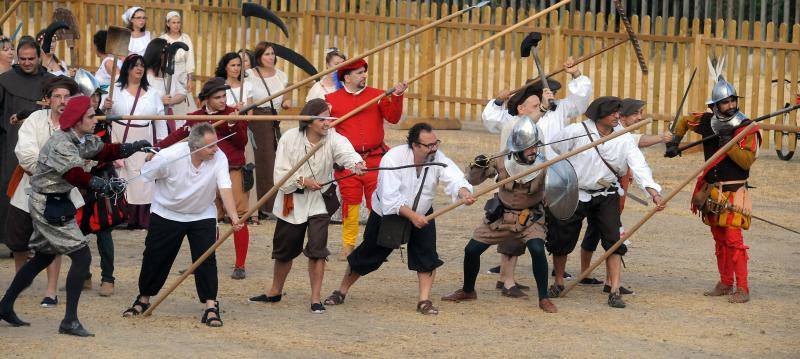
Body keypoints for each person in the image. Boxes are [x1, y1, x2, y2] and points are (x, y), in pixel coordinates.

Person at [0, 95, 149, 336]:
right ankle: (69, 321)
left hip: (56, 201)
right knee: (81, 257)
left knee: (43, 258)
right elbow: (75, 176)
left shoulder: (79, 137)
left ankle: (4, 306)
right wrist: (104, 185)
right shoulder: (62, 143)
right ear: (78, 120)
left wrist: (133, 147)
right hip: (48, 204)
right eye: (90, 116)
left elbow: (103, 150)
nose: (95, 119)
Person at [323, 123, 475, 315]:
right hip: (389, 214)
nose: (434, 148)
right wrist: (413, 217)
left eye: (435, 143)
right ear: (414, 145)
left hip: (423, 213)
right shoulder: (393, 159)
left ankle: (424, 301)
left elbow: (454, 177)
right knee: (367, 256)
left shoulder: (438, 158)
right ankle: (341, 291)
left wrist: (463, 193)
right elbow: (390, 199)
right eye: (428, 145)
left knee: (426, 257)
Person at [481, 57, 592, 286]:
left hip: (552, 174)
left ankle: (555, 267)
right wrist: (499, 101)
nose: (551, 95)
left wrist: (576, 75)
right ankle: (505, 270)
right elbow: (491, 119)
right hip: (522, 175)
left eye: (552, 92)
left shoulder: (561, 109)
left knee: (552, 222)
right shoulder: (520, 116)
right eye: (546, 92)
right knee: (516, 220)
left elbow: (580, 102)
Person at [547, 96, 665, 308]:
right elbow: (556, 147)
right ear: (598, 115)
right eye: (612, 113)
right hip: (576, 192)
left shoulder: (624, 138)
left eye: (617, 112)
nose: (616, 116)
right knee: (562, 237)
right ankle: (558, 282)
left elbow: (639, 166)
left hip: (606, 193)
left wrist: (653, 192)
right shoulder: (577, 130)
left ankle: (614, 289)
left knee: (614, 241)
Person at [249, 99, 365, 313]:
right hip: (292, 201)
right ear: (309, 121)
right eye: (322, 119)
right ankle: (275, 291)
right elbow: (280, 175)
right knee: (285, 251)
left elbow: (346, 153)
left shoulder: (333, 138)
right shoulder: (290, 139)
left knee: (317, 250)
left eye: (329, 117)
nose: (327, 123)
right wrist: (303, 181)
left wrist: (356, 164)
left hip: (319, 202)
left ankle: (315, 299)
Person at [123, 122, 244, 327]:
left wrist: (233, 217)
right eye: (211, 146)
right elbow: (145, 173)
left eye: (216, 144)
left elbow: (225, 187)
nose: (217, 149)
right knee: (155, 257)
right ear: (195, 147)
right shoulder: (170, 157)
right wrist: (151, 159)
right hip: (167, 213)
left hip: (202, 214)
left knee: (206, 259)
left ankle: (210, 306)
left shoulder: (219, 157)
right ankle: (143, 299)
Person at [442, 114, 558, 312]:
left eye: (536, 146)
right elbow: (473, 180)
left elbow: (559, 189)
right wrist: (477, 166)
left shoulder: (545, 164)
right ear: (518, 146)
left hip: (531, 218)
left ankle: (543, 298)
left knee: (537, 249)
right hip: (501, 216)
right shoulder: (501, 159)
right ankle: (468, 290)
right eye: (529, 146)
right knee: (471, 250)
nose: (533, 150)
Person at [665, 75, 760, 303]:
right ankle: (726, 282)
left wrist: (727, 141)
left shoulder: (746, 127)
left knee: (734, 240)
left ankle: (743, 288)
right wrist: (674, 142)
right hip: (711, 191)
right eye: (725, 102)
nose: (730, 106)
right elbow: (685, 121)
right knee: (719, 240)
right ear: (715, 106)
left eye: (732, 101)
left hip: (733, 191)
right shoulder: (707, 121)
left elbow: (746, 160)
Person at [158, 77, 251, 280]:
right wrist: (159, 148)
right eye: (217, 97)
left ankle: (240, 264)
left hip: (232, 169)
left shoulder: (232, 113)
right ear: (206, 99)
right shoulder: (195, 117)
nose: (222, 100)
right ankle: (203, 261)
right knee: (208, 218)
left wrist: (234, 123)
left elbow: (241, 142)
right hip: (204, 173)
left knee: (239, 216)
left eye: (224, 96)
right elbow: (180, 136)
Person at [578, 98, 673, 289]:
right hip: (593, 190)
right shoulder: (618, 133)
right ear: (622, 116)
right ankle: (587, 275)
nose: (640, 117)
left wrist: (653, 192)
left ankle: (608, 281)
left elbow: (639, 161)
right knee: (602, 233)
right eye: (636, 113)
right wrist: (662, 138)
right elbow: (642, 141)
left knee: (606, 233)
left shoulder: (624, 133)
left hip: (612, 192)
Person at [5, 77, 82, 307]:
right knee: (19, 242)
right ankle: (21, 283)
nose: (62, 101)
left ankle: (51, 291)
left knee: (53, 242)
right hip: (27, 188)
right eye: (57, 96)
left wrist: (53, 167)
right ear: (47, 100)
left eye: (67, 96)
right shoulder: (35, 120)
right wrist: (53, 166)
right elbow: (24, 152)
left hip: (58, 192)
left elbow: (77, 158)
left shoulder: (77, 126)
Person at [325, 58, 407, 259]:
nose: (364, 76)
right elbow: (324, 129)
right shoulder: (332, 100)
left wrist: (396, 96)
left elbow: (393, 118)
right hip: (348, 162)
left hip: (375, 159)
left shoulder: (377, 95)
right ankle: (348, 245)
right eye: (359, 73)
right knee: (350, 203)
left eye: (364, 72)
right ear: (347, 77)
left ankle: (375, 244)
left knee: (376, 202)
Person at [1, 36, 54, 256]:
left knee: (40, 192)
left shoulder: (51, 82)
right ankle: (11, 241)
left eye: (31, 58)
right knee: (9, 190)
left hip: (43, 145)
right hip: (11, 144)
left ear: (38, 57)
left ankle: (36, 240)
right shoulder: (5, 80)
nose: (26, 62)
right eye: (22, 59)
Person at [109, 54, 167, 230]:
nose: (139, 69)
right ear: (127, 68)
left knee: (142, 180)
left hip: (143, 139)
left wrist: (159, 147)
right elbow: (104, 116)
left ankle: (140, 218)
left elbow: (160, 120)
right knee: (122, 176)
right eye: (135, 65)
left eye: (142, 65)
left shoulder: (152, 94)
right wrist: (105, 106)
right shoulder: (114, 91)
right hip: (119, 137)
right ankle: (119, 215)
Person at [77, 73, 119, 297]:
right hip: (78, 181)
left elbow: (103, 151)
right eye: (90, 96)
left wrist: (90, 160)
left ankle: (108, 278)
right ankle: (83, 275)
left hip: (100, 178)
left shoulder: (101, 120)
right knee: (78, 230)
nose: (94, 100)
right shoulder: (73, 120)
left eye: (97, 96)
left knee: (103, 230)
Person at [246, 42, 290, 219]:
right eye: (266, 54)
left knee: (272, 162)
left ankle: (269, 205)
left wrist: (287, 104)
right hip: (256, 120)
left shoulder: (281, 75)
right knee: (259, 161)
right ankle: (258, 206)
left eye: (272, 54)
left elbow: (285, 99)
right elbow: (247, 99)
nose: (271, 57)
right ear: (258, 57)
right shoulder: (249, 74)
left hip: (273, 121)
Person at [143, 38, 187, 131]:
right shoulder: (144, 76)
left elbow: (182, 93)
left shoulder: (168, 75)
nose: (167, 57)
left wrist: (170, 101)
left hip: (167, 117)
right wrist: (159, 101)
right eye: (165, 54)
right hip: (149, 119)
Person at [159, 10, 197, 115]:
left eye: (178, 22)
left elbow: (190, 60)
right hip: (168, 74)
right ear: (168, 24)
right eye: (173, 22)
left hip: (182, 75)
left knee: (185, 103)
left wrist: (190, 80)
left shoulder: (186, 38)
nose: (176, 25)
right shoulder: (162, 39)